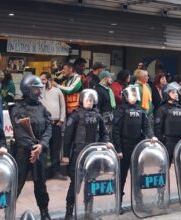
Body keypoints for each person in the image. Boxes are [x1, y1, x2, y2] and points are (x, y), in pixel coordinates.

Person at [63, 89, 112, 220]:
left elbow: (104, 133)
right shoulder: (75, 116)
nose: (90, 103)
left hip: (93, 154)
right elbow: (67, 137)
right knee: (75, 184)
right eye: (87, 100)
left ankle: (88, 212)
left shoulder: (98, 116)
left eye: (91, 100)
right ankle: (69, 213)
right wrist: (66, 155)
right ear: (82, 100)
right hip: (78, 154)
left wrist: (106, 142)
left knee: (91, 183)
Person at [10, 74, 52, 220]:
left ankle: (44, 212)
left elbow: (48, 128)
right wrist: (35, 147)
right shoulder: (17, 108)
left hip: (39, 152)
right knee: (17, 184)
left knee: (40, 184)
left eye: (40, 89)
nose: (39, 92)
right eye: (36, 89)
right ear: (27, 90)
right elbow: (20, 133)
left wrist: (42, 145)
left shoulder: (42, 108)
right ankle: (7, 213)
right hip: (23, 153)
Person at [112, 84, 157, 213]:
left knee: (138, 176)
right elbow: (115, 131)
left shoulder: (141, 110)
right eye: (132, 94)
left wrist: (152, 136)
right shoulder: (120, 111)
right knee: (121, 177)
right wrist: (118, 149)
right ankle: (118, 204)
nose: (134, 96)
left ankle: (139, 203)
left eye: (135, 94)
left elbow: (146, 126)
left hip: (137, 146)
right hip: (124, 147)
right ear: (126, 96)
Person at [154, 82, 181, 165]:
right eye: (173, 92)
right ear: (166, 94)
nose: (176, 94)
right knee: (164, 167)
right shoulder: (162, 109)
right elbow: (158, 128)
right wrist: (161, 143)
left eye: (176, 92)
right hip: (168, 142)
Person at [39, 72, 67, 180]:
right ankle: (43, 172)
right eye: (41, 80)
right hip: (45, 125)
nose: (42, 82)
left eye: (44, 80)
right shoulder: (40, 92)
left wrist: (61, 119)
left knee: (55, 149)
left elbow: (62, 106)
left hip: (56, 124)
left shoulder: (57, 91)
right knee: (44, 148)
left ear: (49, 79)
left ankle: (56, 171)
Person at [95, 70, 116, 135]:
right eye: (110, 77)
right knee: (105, 136)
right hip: (104, 118)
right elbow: (97, 106)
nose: (111, 79)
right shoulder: (99, 90)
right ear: (106, 78)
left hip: (110, 117)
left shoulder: (107, 89)